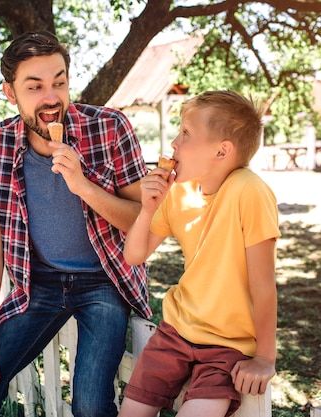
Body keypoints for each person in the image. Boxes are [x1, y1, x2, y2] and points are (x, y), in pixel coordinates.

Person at [0, 31, 151, 417]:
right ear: (10, 93)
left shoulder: (110, 128)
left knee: (91, 406)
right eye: (35, 87)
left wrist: (83, 186)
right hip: (38, 283)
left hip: (104, 281)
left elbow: (143, 220)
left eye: (59, 82)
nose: (51, 98)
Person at [118, 91, 280, 417]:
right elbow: (134, 255)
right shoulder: (178, 192)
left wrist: (264, 358)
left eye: (186, 133)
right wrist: (148, 209)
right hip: (176, 332)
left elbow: (263, 284)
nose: (174, 143)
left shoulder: (250, 191)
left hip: (228, 346)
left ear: (222, 151)